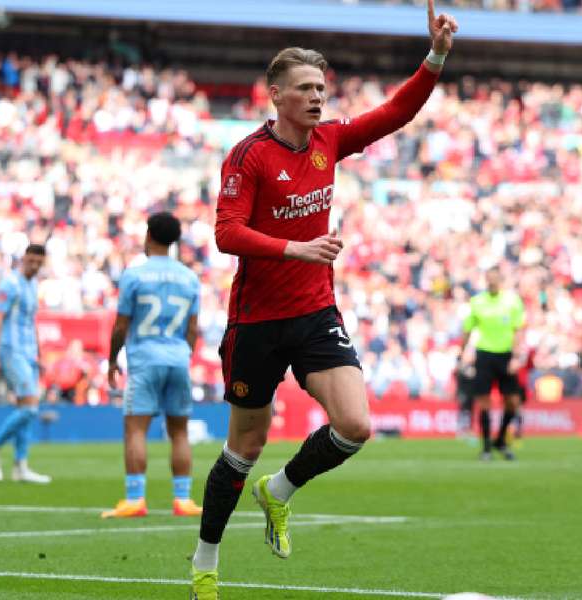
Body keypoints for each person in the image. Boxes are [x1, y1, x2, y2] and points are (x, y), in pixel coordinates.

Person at [190, 3, 459, 597]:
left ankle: (280, 491)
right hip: (256, 320)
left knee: (356, 425)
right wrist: (297, 248)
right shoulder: (248, 155)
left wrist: (436, 55)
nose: (317, 98)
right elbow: (226, 232)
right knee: (244, 445)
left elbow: (396, 111)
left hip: (315, 313)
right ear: (276, 95)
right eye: (306, 89)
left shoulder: (329, 141)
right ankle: (205, 562)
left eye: (322, 88)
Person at [103, 212, 203, 519]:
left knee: (135, 430)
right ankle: (183, 500)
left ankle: (135, 498)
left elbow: (121, 325)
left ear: (148, 236)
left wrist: (112, 360)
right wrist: (184, 355)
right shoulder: (189, 277)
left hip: (145, 359)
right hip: (177, 359)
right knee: (180, 432)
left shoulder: (135, 275)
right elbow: (192, 328)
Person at [0, 244, 51, 484]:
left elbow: (31, 322)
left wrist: (39, 353)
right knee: (30, 406)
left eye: (39, 262)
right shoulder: (9, 284)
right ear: (24, 258)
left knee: (27, 410)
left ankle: (21, 466)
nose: (35, 265)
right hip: (11, 350)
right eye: (31, 260)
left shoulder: (32, 285)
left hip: (29, 353)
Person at [460, 266, 526, 461]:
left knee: (512, 401)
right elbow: (468, 330)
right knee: (484, 401)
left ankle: (501, 440)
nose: (491, 283)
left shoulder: (512, 301)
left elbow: (518, 330)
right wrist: (461, 353)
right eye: (488, 279)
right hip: (484, 355)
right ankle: (487, 447)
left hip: (506, 355)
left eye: (495, 279)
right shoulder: (477, 302)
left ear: (501, 280)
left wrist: (516, 356)